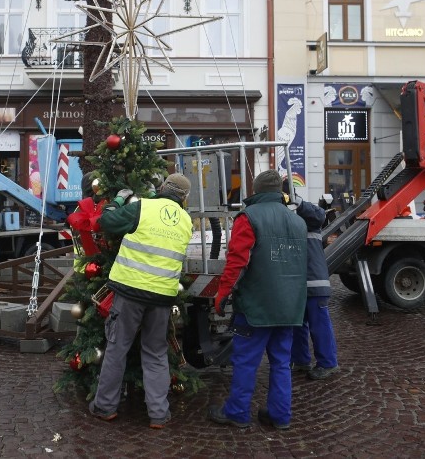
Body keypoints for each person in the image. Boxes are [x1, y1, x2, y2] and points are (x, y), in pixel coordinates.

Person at [88, 173, 193, 430]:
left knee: (116, 348)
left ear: (163, 188)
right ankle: (158, 414)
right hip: (162, 298)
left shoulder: (144, 206)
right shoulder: (186, 220)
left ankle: (105, 407)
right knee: (156, 353)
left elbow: (106, 222)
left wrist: (119, 201)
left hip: (130, 292)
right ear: (184, 198)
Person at [208, 169, 307, 430]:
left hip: (256, 307)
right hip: (290, 307)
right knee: (282, 362)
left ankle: (238, 412)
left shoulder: (249, 217)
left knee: (246, 361)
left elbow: (237, 262)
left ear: (256, 190)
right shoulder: (297, 221)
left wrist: (222, 294)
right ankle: (280, 415)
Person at [285, 181, 340, 380]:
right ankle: (301, 361)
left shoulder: (309, 216)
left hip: (314, 283)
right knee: (297, 326)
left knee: (319, 325)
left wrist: (297, 201)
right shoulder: (289, 218)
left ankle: (328, 363)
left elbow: (320, 215)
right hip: (297, 285)